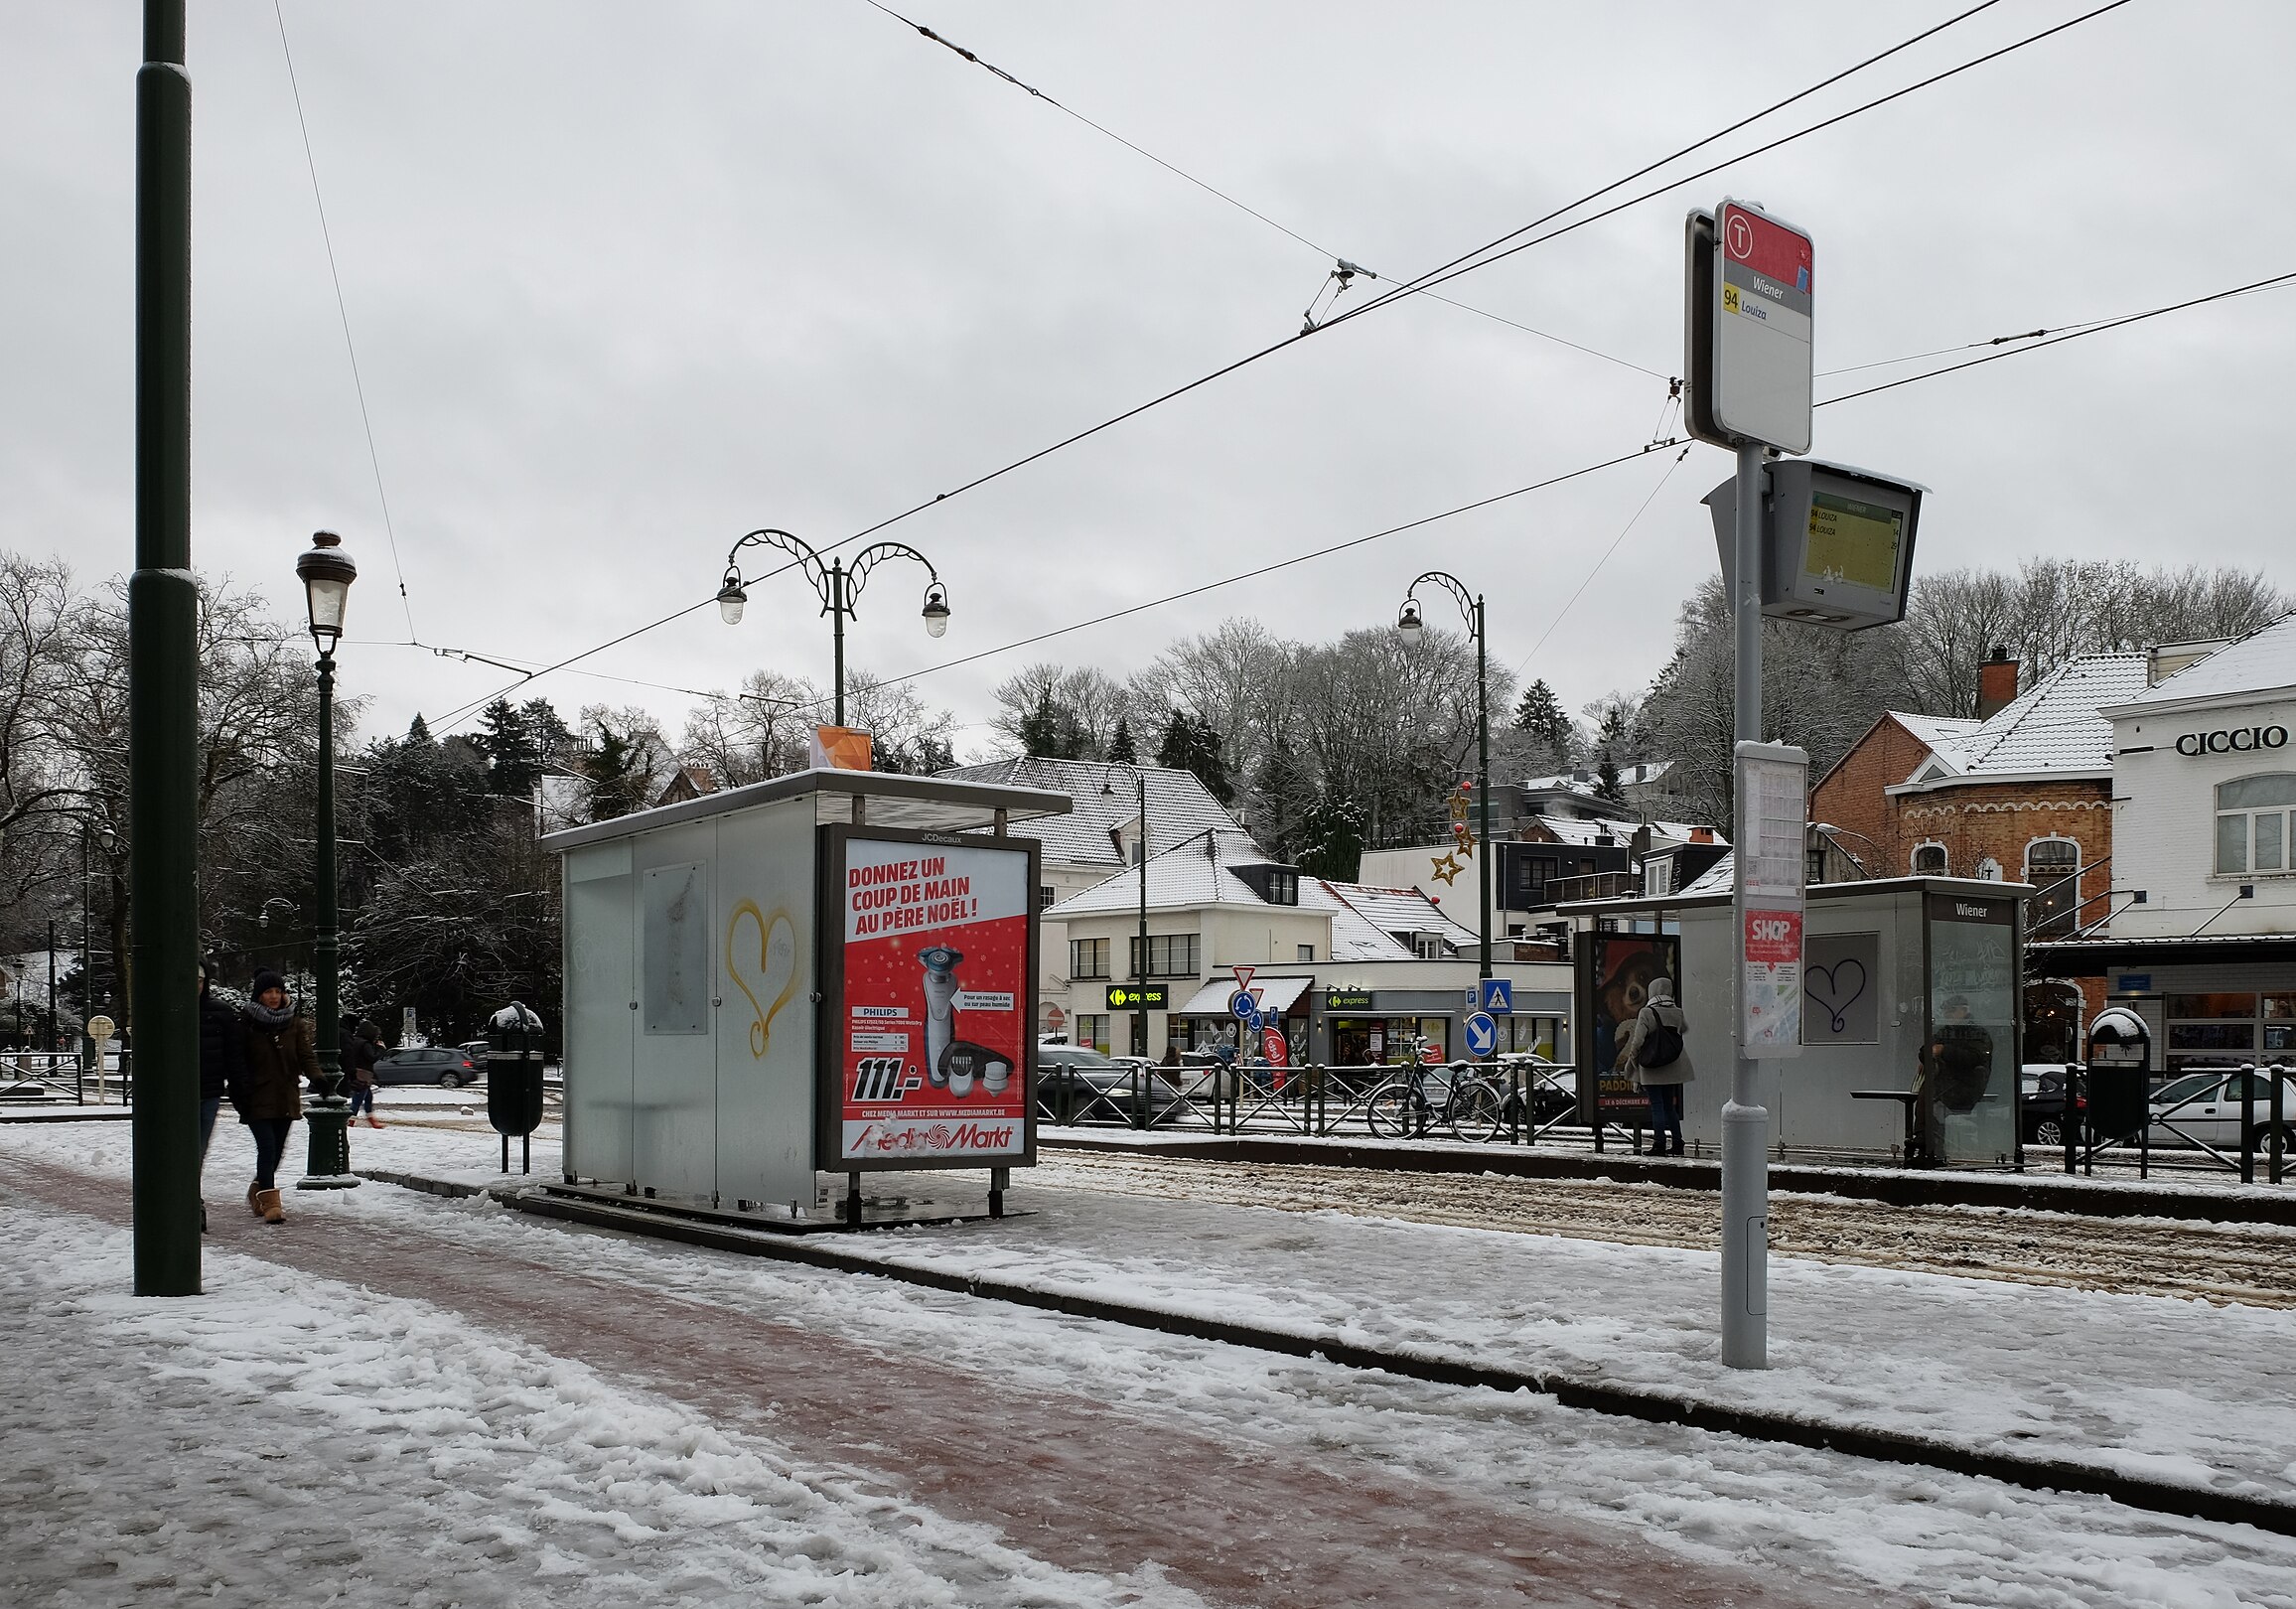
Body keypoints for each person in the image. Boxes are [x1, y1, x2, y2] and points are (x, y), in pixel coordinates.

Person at [233, 968, 314, 1223]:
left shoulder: (294, 1024)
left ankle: (258, 1189)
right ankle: (271, 1205)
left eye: (278, 991)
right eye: (269, 992)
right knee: (267, 1147)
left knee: (277, 1150)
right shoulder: (246, 1025)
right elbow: (239, 1061)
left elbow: (305, 1055)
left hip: (285, 1094)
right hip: (256, 1095)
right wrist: (241, 1091)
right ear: (259, 995)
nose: (274, 996)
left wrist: (319, 1077)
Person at [1912, 995, 1996, 1166]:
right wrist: (1927, 1056)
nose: (1948, 1014)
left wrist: (1943, 1050)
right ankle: (1925, 1141)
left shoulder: (1977, 1033)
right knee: (1929, 1094)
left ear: (1964, 1011)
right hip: (1947, 1084)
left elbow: (1974, 1058)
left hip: (1967, 1085)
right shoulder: (1946, 1031)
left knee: (1933, 1100)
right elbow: (1926, 1049)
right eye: (1946, 1011)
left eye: (1951, 1011)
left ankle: (1928, 1143)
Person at [1615, 975, 1694, 1156]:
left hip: (1652, 1067)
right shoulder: (1677, 1012)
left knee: (1656, 1105)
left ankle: (1659, 1144)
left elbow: (1637, 1041)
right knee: (1669, 1107)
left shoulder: (1646, 1012)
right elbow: (1685, 1029)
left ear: (1652, 991)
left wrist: (1631, 1063)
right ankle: (1677, 1143)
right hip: (1672, 1066)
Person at [196, 959, 246, 1233]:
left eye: (200, 980)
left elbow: (233, 1055)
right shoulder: (166, 1009)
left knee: (198, 1151)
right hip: (176, 1096)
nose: (196, 985)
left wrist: (239, 1090)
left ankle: (192, 1200)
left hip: (209, 1092)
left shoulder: (220, 1013)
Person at [341, 1014, 383, 1128]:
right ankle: (350, 1121)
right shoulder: (365, 1043)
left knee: (368, 1097)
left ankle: (371, 1119)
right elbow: (372, 1057)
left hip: (357, 1072)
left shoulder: (355, 1040)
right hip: (363, 1075)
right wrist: (380, 1049)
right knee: (357, 1100)